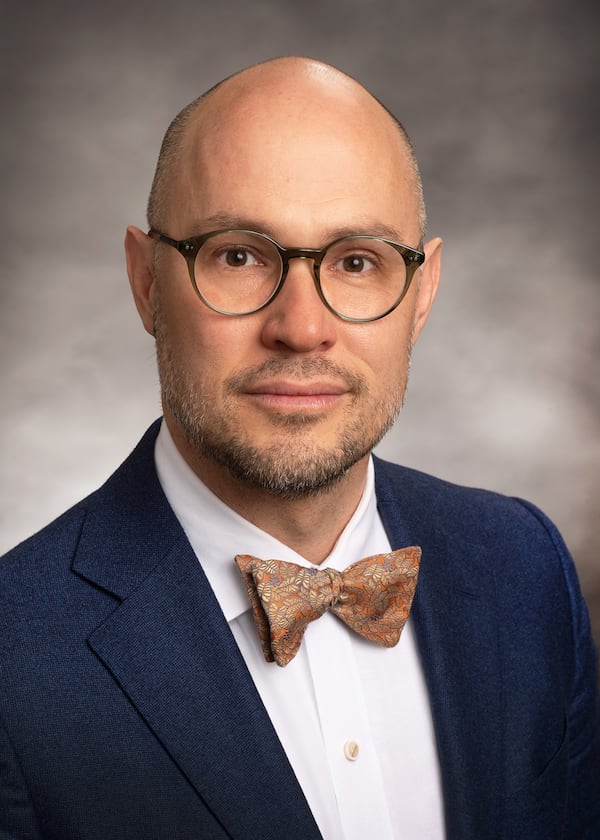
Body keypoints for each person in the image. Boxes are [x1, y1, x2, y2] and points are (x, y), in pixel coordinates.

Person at [0, 56, 598, 840]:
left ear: (420, 297)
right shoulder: (14, 662)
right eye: (240, 255)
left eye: (356, 263)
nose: (302, 326)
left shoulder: (529, 571)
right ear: (147, 283)